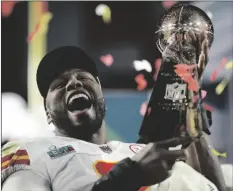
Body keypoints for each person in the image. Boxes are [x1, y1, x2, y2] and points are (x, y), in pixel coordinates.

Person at [1, 32, 223, 191]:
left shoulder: (145, 153)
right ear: (47, 112)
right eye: (59, 85)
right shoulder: (31, 154)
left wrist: (195, 130)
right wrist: (130, 176)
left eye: (84, 77)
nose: (74, 83)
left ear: (100, 95)